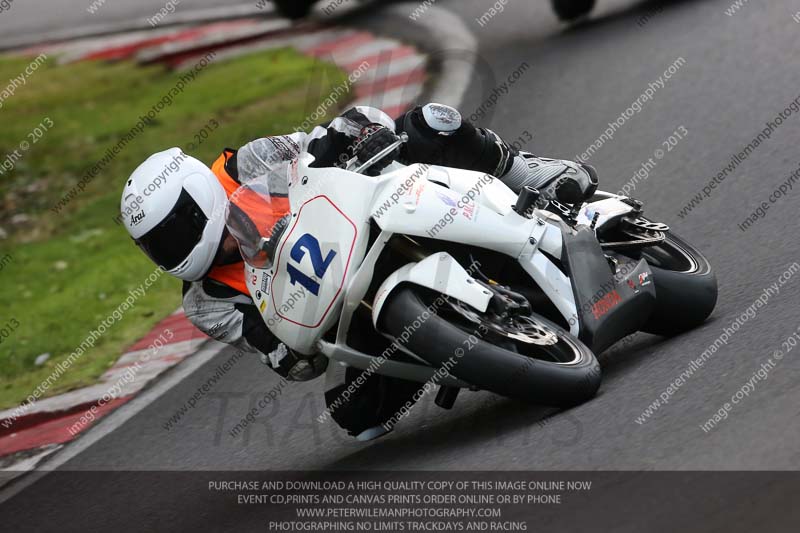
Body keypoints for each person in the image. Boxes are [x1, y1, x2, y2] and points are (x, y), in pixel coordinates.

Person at [119, 103, 597, 440]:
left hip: (373, 211)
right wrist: (277, 348)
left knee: (428, 124)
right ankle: (459, 344)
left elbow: (320, 140)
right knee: (354, 413)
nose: (170, 250)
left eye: (171, 232)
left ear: (196, 201)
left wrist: (341, 136)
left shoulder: (244, 165)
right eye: (154, 246)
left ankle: (528, 174)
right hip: (352, 306)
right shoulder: (206, 302)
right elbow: (293, 361)